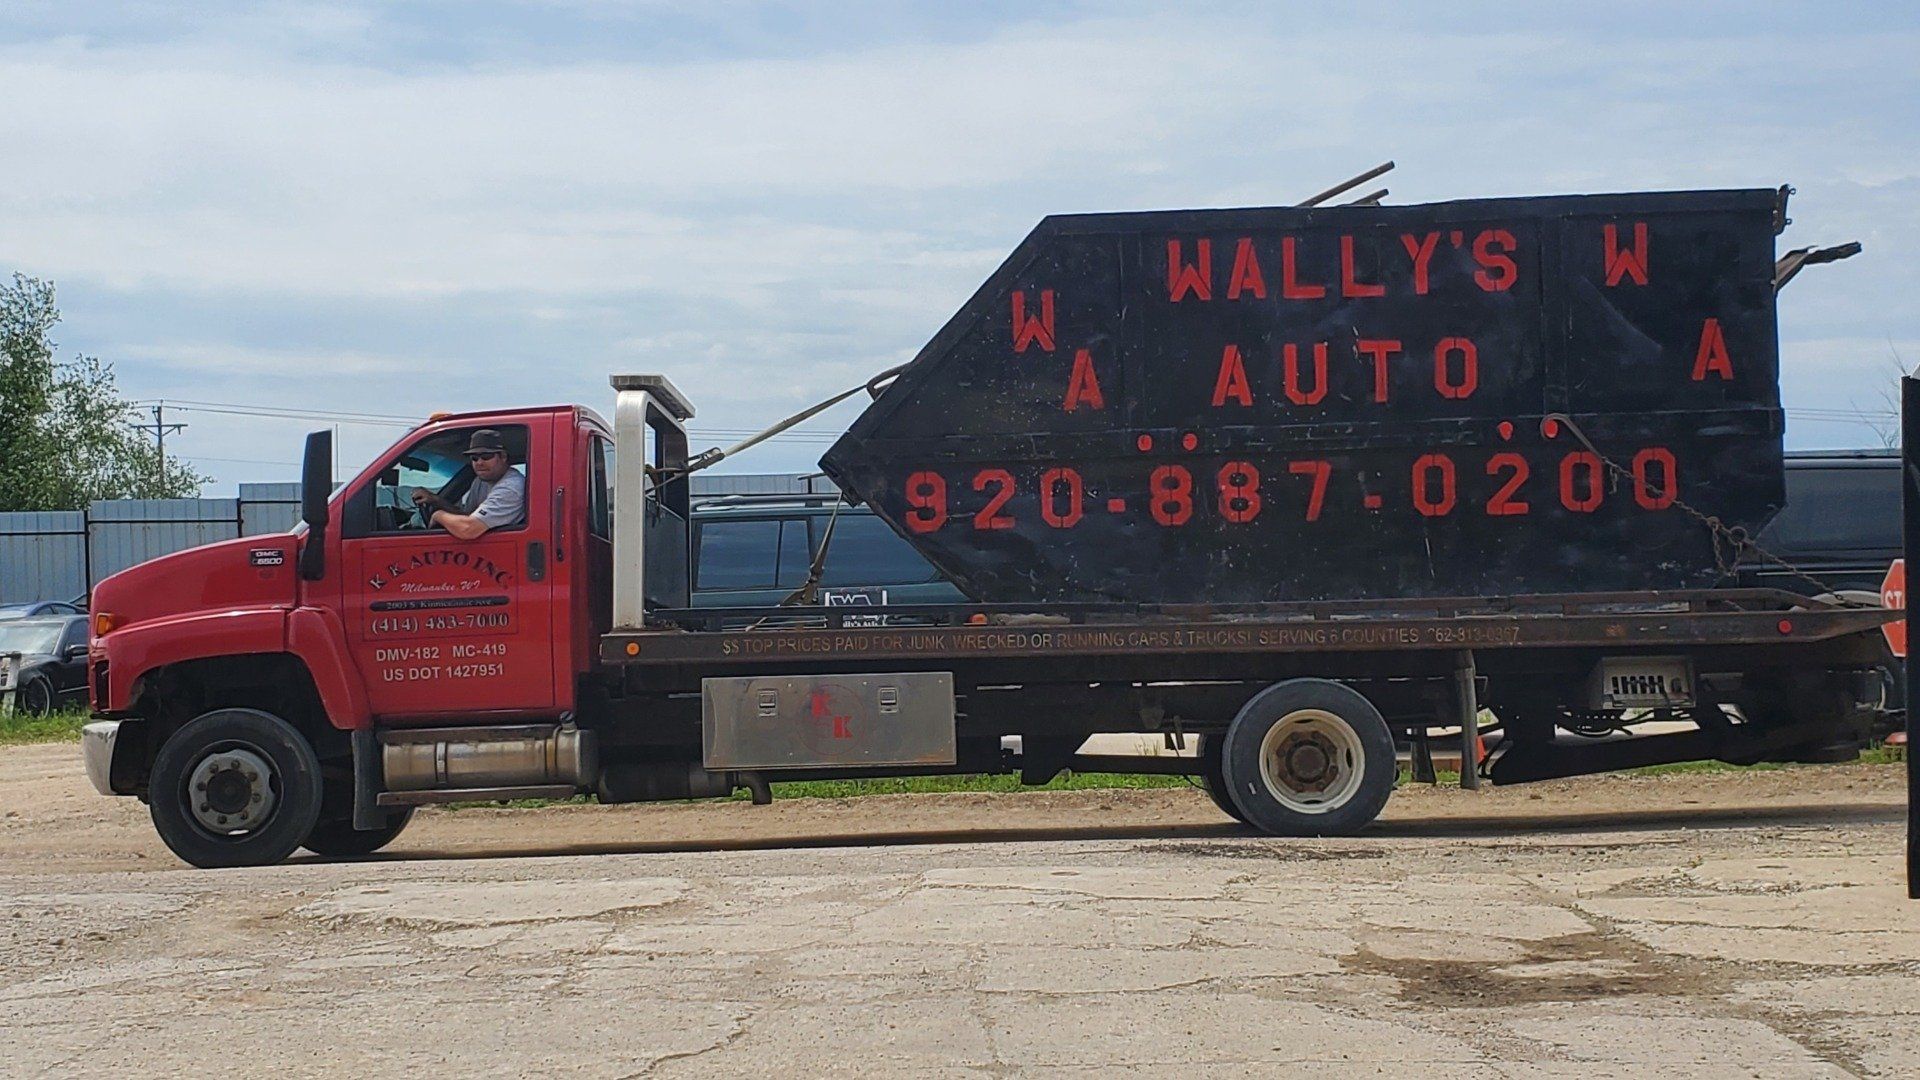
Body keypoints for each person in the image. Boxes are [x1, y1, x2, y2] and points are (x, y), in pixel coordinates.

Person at [410, 429, 526, 540]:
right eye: (474, 457)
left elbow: (469, 529)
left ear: (503, 457)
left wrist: (438, 515)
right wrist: (436, 500)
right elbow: (467, 516)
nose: (479, 462)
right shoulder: (480, 481)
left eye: (486, 456)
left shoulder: (511, 487)